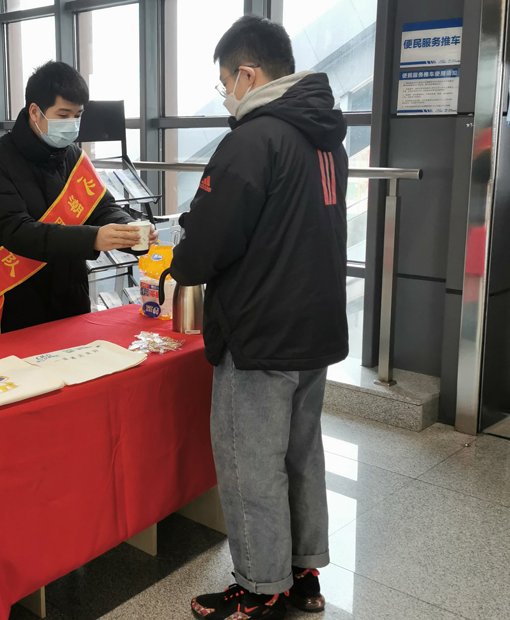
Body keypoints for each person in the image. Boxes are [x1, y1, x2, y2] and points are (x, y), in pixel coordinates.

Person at [170, 15, 349, 620]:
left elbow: (208, 243)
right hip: (315, 327)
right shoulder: (325, 137)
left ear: (247, 74)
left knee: (251, 464)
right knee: (302, 454)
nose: (226, 93)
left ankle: (258, 585)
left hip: (260, 332)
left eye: (225, 81)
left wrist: (180, 258)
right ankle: (303, 573)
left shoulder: (252, 140)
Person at [0, 61, 156, 340]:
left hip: (70, 298)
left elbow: (102, 207)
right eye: (63, 114)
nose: (72, 124)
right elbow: (16, 231)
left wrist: (128, 229)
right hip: (15, 304)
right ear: (35, 112)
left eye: (78, 115)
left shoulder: (73, 156)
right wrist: (93, 239)